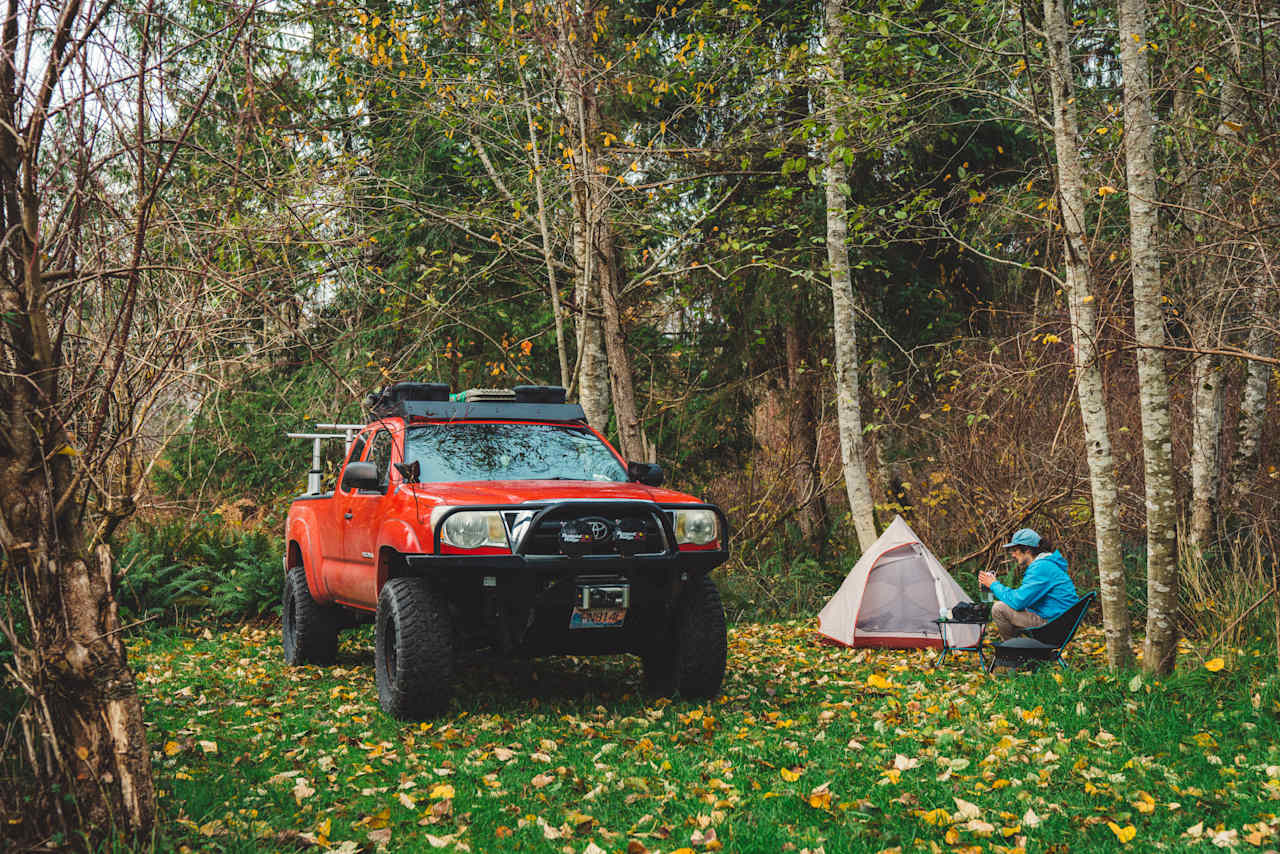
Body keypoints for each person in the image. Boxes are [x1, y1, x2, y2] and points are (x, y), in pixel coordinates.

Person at [978, 528, 1078, 641]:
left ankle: (1013, 652)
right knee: (1003, 605)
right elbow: (1023, 599)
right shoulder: (1047, 564)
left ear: (1028, 550)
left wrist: (993, 584)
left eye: (1015, 550)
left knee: (999, 608)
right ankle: (1021, 648)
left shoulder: (1041, 568)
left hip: (1053, 627)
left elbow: (1018, 602)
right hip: (1060, 623)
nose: (1013, 555)